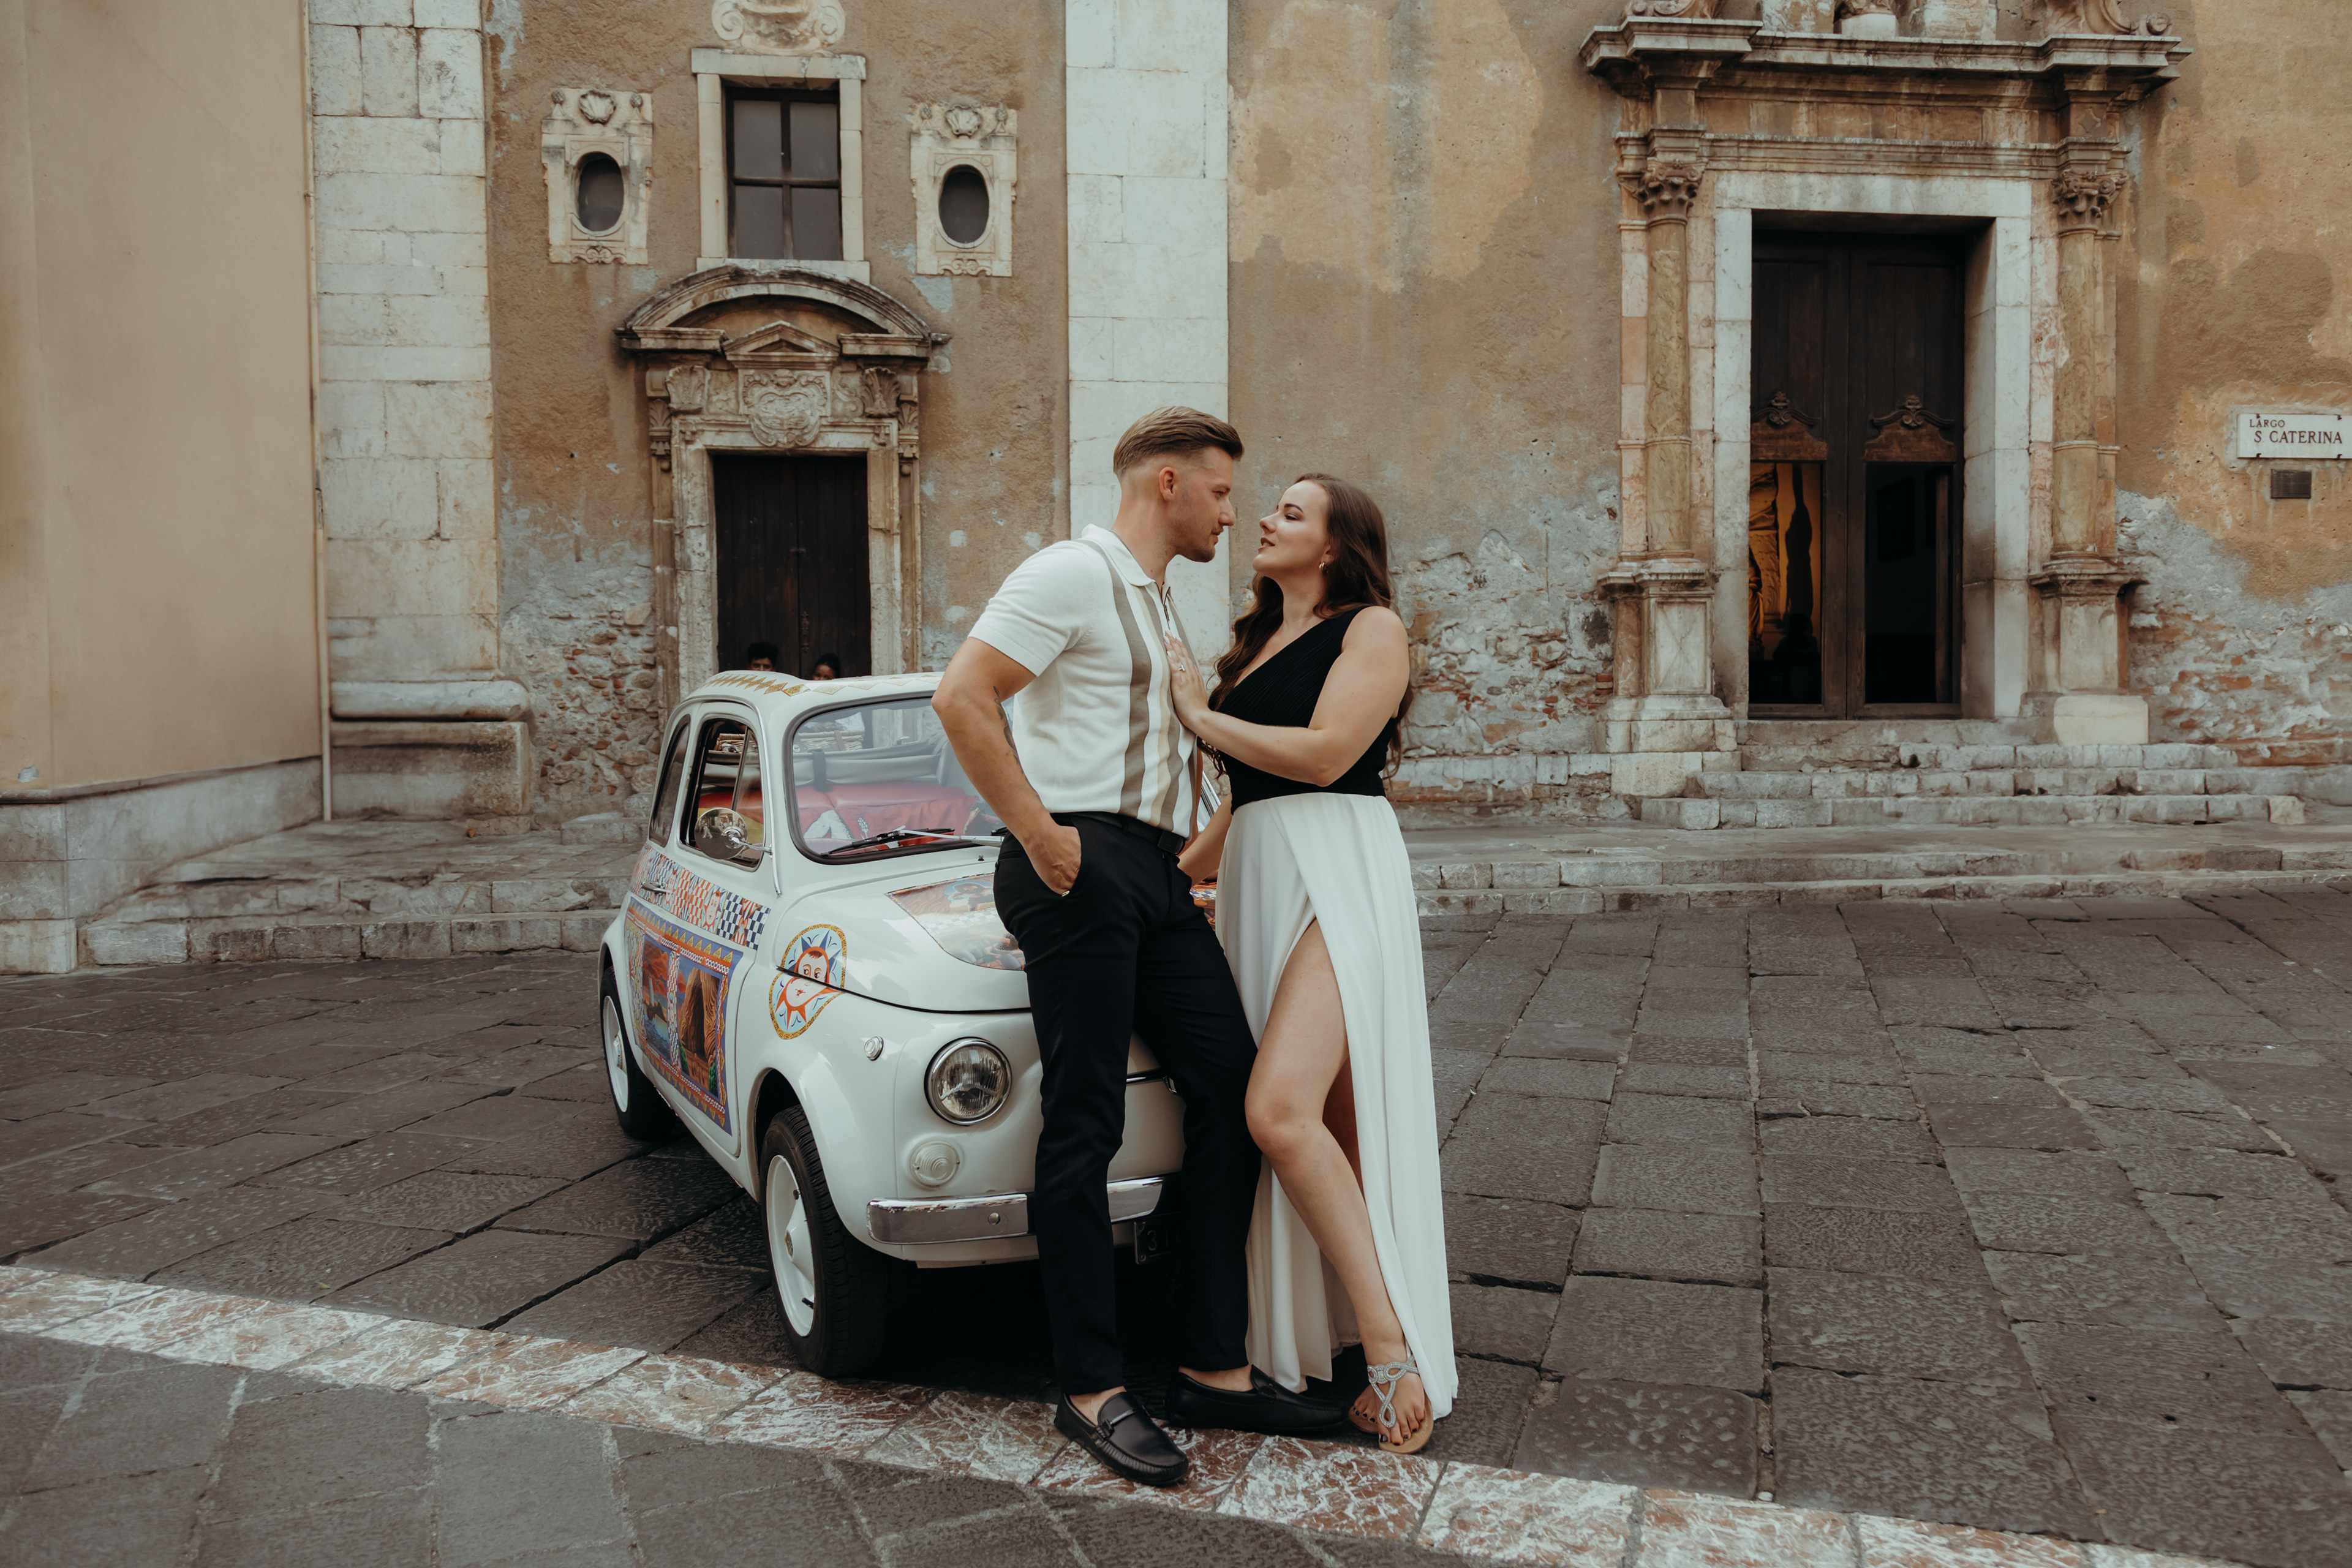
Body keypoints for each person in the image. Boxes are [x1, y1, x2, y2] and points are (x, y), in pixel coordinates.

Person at [932, 408, 1343, 1488]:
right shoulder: (1072, 571)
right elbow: (963, 695)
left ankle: (1210, 1362)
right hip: (1078, 863)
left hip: (1154, 874)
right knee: (1085, 1119)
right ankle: (1089, 1386)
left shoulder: (1155, 601)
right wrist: (1041, 835)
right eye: (1219, 493)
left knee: (1235, 1086)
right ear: (1168, 483)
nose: (1230, 513)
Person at [1167, 473, 1454, 1453]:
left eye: (1291, 512)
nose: (1263, 519)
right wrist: (1165, 880)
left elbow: (1330, 755)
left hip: (1341, 872)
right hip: (1261, 872)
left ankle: (1388, 1353)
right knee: (1337, 1128)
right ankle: (1359, 1325)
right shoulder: (1254, 646)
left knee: (1277, 1110)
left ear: (1335, 544)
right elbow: (1244, 800)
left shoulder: (1372, 627)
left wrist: (1199, 717)